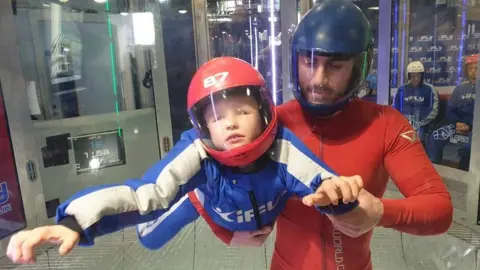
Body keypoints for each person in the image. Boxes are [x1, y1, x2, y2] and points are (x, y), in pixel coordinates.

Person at [6, 57, 363, 263]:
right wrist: (73, 222)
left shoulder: (282, 147)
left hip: (262, 206)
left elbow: (325, 183)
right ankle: (194, 198)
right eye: (217, 118)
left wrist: (341, 193)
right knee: (149, 237)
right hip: (207, 198)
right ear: (202, 125)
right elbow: (142, 194)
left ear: (265, 110)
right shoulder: (197, 152)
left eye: (241, 110)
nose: (231, 123)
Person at [199, 1, 453, 269]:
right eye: (309, 61)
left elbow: (440, 210)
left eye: (335, 66)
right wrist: (228, 232)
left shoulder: (387, 124)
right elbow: (198, 169)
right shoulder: (273, 123)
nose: (318, 79)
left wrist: (379, 212)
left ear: (358, 67)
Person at [426, 54, 477, 171]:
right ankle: (435, 171)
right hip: (456, 125)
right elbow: (451, 109)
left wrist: (469, 126)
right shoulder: (460, 89)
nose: (473, 71)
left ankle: (466, 177)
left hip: (476, 130)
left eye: (476, 68)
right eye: (470, 69)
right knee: (434, 138)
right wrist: (457, 123)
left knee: (469, 148)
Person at [393, 61, 440, 143]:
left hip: (423, 125)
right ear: (408, 76)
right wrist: (404, 122)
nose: (416, 79)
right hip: (404, 124)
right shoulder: (402, 89)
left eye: (419, 76)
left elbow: (434, 110)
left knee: (418, 137)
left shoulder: (430, 89)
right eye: (413, 76)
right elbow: (396, 108)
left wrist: (419, 124)